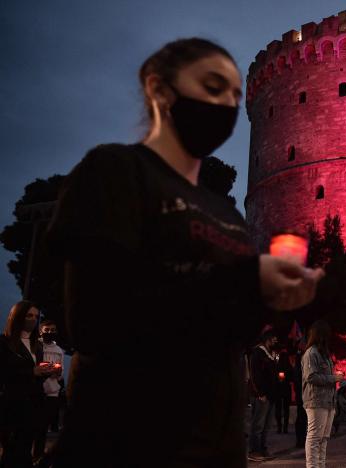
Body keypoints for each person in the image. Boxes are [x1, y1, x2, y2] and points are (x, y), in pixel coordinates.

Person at [45, 38, 324, 468]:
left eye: (234, 95)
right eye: (213, 86)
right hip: (128, 442)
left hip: (214, 447)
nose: (226, 103)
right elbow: (92, 316)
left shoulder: (226, 214)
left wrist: (274, 301)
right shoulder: (116, 172)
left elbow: (230, 332)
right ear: (160, 90)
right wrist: (239, 283)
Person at [0, 301, 57, 468]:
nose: (33, 319)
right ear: (17, 316)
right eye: (29, 315)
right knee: (12, 453)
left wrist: (45, 372)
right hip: (12, 405)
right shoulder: (4, 343)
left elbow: (36, 374)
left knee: (25, 450)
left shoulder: (37, 346)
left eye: (36, 317)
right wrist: (31, 372)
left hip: (33, 406)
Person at [302, 320, 342, 468]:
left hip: (328, 401)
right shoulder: (311, 353)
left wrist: (338, 380)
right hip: (316, 401)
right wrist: (334, 378)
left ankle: (320, 465)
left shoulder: (324, 354)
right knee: (314, 437)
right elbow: (311, 377)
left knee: (324, 438)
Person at [33, 320, 65, 460]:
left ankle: (38, 455)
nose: (50, 333)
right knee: (32, 425)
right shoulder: (35, 346)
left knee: (43, 427)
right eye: (47, 330)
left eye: (53, 330)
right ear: (41, 331)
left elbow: (61, 371)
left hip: (52, 392)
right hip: (36, 391)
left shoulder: (59, 350)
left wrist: (57, 373)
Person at [249, 332, 279, 460]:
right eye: (274, 337)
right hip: (261, 395)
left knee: (267, 424)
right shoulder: (258, 352)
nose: (276, 340)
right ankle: (254, 451)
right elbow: (254, 374)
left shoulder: (272, 354)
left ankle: (263, 449)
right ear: (267, 339)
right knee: (258, 424)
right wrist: (260, 393)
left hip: (271, 394)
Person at [292, 338, 308, 448]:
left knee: (303, 416)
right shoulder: (300, 357)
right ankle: (300, 440)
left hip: (303, 391)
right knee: (302, 416)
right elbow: (298, 376)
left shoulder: (301, 356)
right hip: (302, 391)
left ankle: (302, 439)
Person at [274, 350, 294, 434]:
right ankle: (285, 427)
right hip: (286, 389)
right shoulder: (289, 366)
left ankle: (279, 427)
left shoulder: (277, 366)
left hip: (278, 389)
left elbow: (274, 376)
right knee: (286, 409)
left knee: (278, 408)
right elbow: (292, 378)